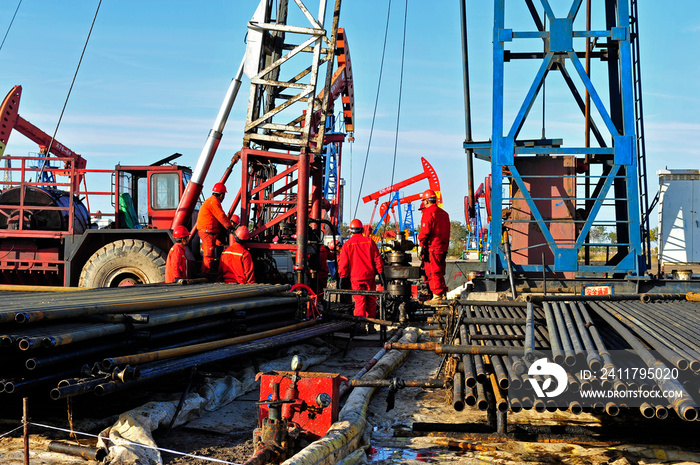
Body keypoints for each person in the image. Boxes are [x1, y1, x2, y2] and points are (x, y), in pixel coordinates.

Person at [337, 219, 386, 318]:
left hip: (356, 279)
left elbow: (343, 264)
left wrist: (342, 278)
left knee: (360, 301)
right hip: (369, 277)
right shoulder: (369, 242)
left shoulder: (347, 244)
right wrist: (381, 274)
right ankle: (371, 325)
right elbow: (378, 259)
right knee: (371, 300)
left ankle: (361, 326)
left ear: (350, 231)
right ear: (362, 230)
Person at [418, 189, 451, 303]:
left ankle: (437, 295)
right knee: (440, 271)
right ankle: (442, 294)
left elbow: (425, 232)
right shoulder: (444, 214)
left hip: (433, 247)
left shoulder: (428, 213)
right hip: (443, 247)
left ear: (426, 201)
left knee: (433, 271)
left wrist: (420, 244)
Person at [197, 182, 234, 276]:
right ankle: (205, 274)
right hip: (208, 231)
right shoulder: (213, 202)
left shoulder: (211, 201)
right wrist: (230, 227)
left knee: (214, 250)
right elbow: (221, 216)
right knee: (209, 254)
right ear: (222, 195)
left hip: (210, 231)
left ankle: (210, 271)